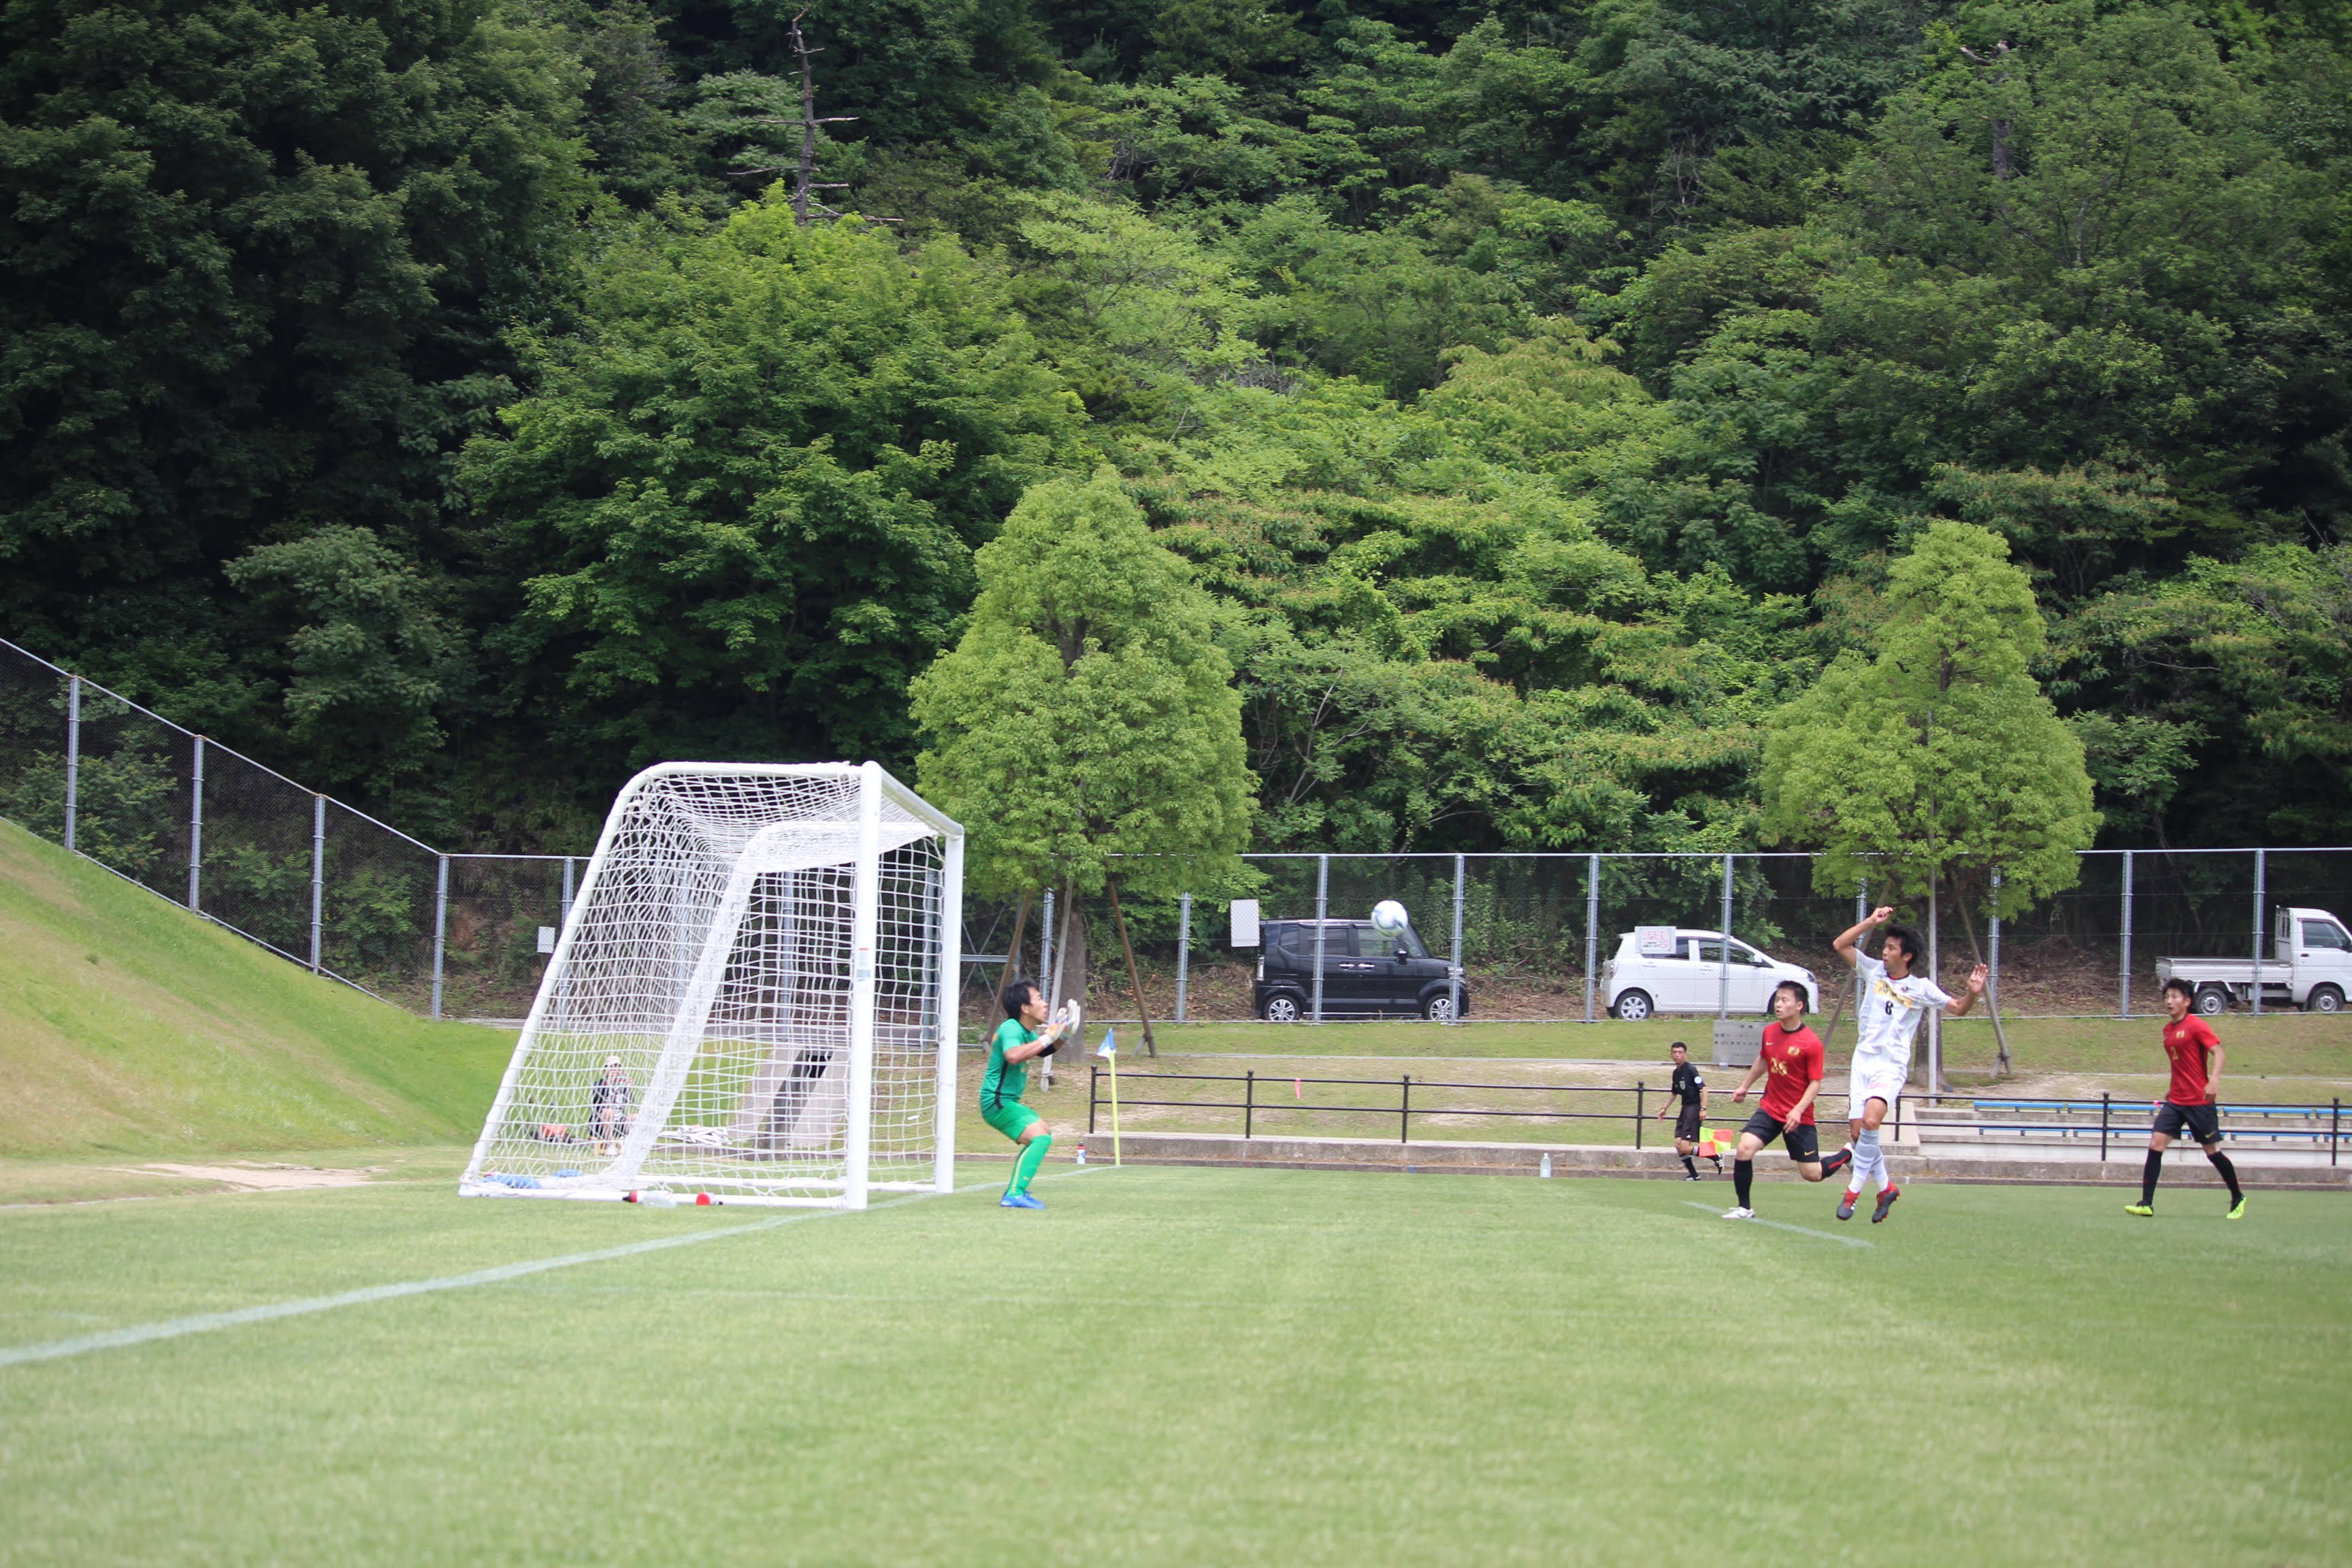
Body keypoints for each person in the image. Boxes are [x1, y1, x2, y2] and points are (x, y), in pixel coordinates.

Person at [1829, 907, 1987, 1224]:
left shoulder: (1921, 987)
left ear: (1907, 956)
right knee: (1859, 1134)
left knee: (1871, 1122)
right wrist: (1871, 922)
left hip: (1890, 1065)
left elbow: (1958, 1008)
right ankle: (1886, 1188)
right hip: (1862, 1060)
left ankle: (1852, 1193)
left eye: (1891, 948)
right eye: (1885, 946)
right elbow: (1840, 945)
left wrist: (1971, 994)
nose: (1884, 952)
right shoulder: (1873, 971)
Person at [1722, 981, 1851, 1218]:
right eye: (1777, 999)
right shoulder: (1770, 1032)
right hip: (1770, 1109)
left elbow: (1815, 1083)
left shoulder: (1811, 1043)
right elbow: (1763, 1059)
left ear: (1799, 1006)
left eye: (1784, 1000)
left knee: (1812, 1174)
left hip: (1798, 1117)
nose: (1778, 1004)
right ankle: (1745, 1208)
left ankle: (1847, 1154)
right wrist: (1744, 1086)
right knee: (1744, 1149)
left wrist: (1798, 1110)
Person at [2127, 978, 2247, 1220]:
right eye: (2167, 997)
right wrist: (2171, 1088)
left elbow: (2218, 1053)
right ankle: (2146, 1203)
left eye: (2175, 997)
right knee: (2156, 1144)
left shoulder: (2196, 1025)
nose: (2169, 1001)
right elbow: (2179, 1064)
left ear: (2187, 1001)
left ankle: (2238, 1197)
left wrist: (2213, 1081)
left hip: (2199, 1101)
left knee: (2212, 1151)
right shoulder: (2168, 1030)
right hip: (2176, 1101)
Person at [984, 979, 1073, 1210]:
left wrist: (1064, 1033)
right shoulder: (1011, 1028)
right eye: (1039, 999)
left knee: (1044, 1132)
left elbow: (1045, 1050)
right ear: (1025, 1007)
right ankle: (1014, 1194)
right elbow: (1013, 1056)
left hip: (1005, 1101)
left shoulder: (1026, 1032)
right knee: (1040, 1138)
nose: (1045, 1004)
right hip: (997, 1101)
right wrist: (1048, 1036)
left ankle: (1016, 1188)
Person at [1653, 1041, 1718, 1179]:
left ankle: (1715, 1156)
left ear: (1685, 1055)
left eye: (1680, 1052)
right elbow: (1674, 1093)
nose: (1677, 1055)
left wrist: (1703, 1108)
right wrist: (1664, 1108)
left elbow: (1704, 1088)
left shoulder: (1690, 1069)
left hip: (1693, 1108)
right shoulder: (1676, 1073)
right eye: (1674, 1052)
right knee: (1678, 1145)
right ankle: (1694, 1175)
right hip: (1685, 1108)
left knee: (1685, 1147)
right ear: (1671, 1055)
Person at [591, 1056, 634, 1156]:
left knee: (636, 1117)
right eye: (612, 1067)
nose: (615, 1070)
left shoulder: (622, 1085)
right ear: (605, 1070)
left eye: (618, 1067)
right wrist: (609, 1083)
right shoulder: (599, 1084)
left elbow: (630, 1103)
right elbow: (596, 1101)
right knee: (609, 1111)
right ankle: (610, 1145)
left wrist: (628, 1089)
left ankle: (627, 1143)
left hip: (619, 1122)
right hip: (602, 1123)